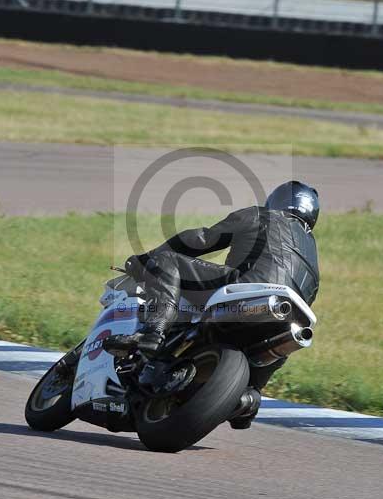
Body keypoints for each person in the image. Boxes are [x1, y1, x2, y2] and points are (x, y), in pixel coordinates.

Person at [105, 181, 320, 428]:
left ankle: (153, 332)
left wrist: (147, 260)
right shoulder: (313, 258)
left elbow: (201, 239)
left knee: (168, 261)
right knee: (282, 343)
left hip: (244, 291)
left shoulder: (262, 216)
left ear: (276, 201)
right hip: (284, 318)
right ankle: (248, 398)